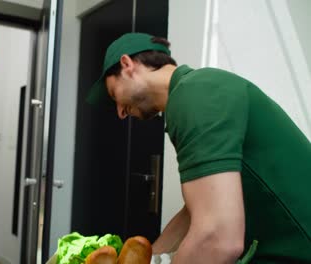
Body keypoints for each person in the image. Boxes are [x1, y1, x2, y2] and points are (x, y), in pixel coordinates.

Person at [87, 33, 311, 263]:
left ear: (127, 64)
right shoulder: (195, 93)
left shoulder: (196, 94)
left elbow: (217, 237)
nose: (120, 113)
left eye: (115, 95)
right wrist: (151, 257)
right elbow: (194, 212)